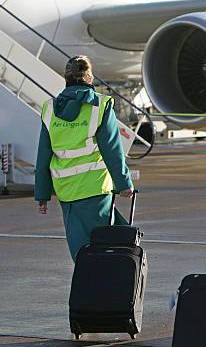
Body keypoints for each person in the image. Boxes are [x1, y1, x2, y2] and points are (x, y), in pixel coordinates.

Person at [35, 55, 134, 262]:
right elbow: (112, 149)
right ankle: (107, 288)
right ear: (89, 78)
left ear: (66, 79)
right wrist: (124, 183)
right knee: (108, 246)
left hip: (66, 191)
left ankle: (89, 287)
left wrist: (42, 194)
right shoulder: (100, 105)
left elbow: (43, 154)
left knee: (81, 248)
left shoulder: (50, 109)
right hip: (94, 187)